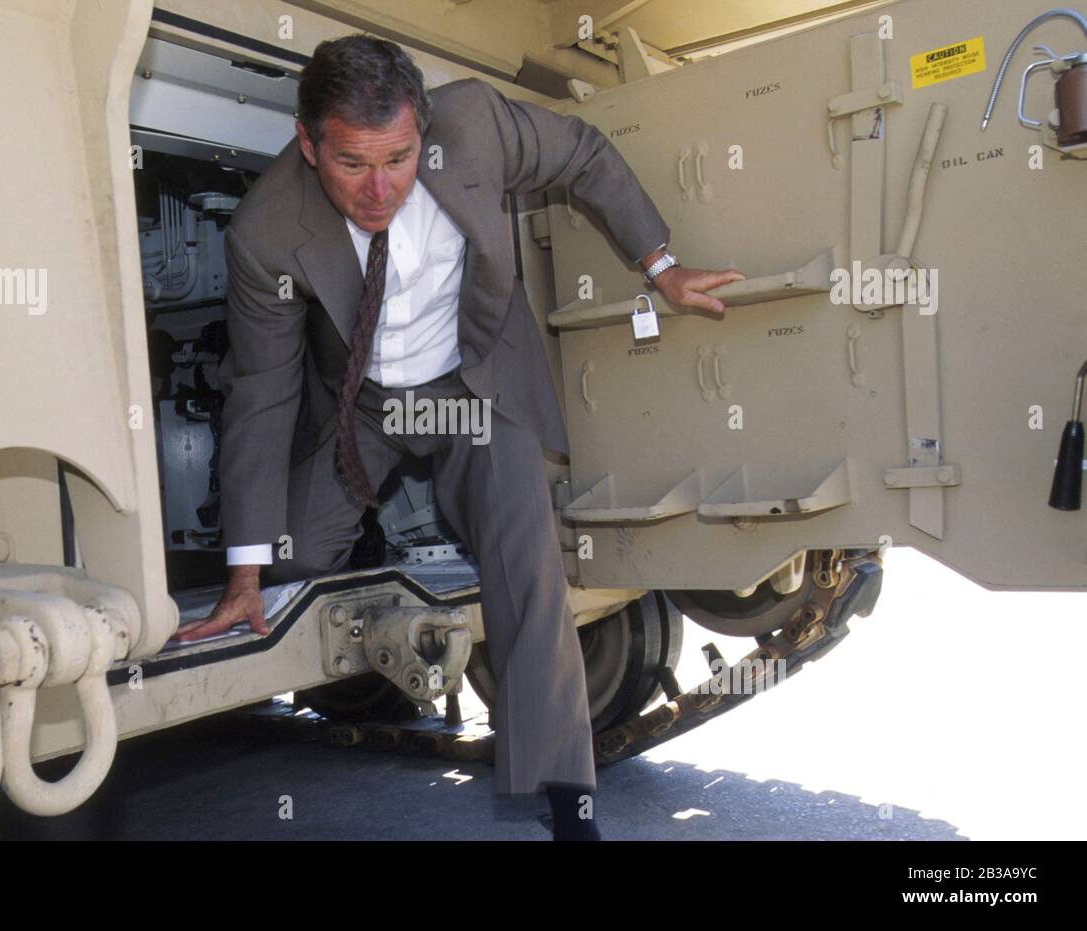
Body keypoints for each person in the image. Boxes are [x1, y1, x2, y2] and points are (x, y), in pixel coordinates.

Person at [174, 35, 744, 840]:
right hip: (363, 404)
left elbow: (582, 154)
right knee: (292, 563)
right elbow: (262, 395)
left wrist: (662, 266)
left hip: (471, 385)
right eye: (350, 165)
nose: (379, 191)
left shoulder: (477, 124)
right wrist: (242, 570)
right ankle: (362, 536)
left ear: (425, 128)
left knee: (525, 561)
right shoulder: (265, 231)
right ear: (308, 145)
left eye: (399, 159)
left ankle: (566, 801)